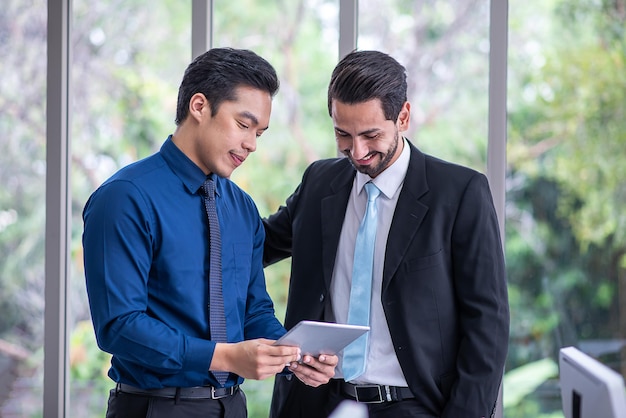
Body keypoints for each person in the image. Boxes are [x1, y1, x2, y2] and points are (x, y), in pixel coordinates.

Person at [82, 47, 337, 418]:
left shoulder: (242, 208)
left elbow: (254, 311)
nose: (251, 143)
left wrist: (292, 353)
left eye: (260, 133)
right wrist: (226, 355)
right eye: (243, 124)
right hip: (154, 408)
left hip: (232, 407)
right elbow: (119, 327)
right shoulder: (124, 198)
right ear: (199, 106)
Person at [263, 50, 510, 418]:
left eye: (371, 135)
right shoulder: (320, 182)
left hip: (416, 407)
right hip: (317, 404)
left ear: (403, 117)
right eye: (342, 134)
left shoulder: (459, 193)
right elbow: (256, 245)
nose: (357, 151)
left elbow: (487, 326)